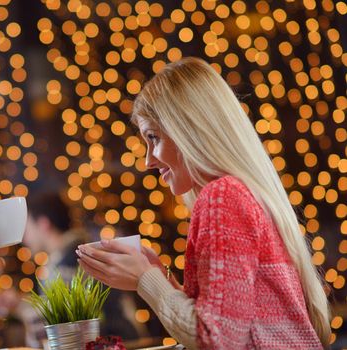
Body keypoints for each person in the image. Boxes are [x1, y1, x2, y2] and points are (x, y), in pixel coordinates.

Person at [77, 57, 330, 349]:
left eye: (153, 137)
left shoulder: (222, 196)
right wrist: (161, 279)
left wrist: (146, 279)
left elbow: (217, 339)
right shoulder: (242, 192)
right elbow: (226, 325)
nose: (148, 160)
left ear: (189, 129)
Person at [0, 193, 142, 348]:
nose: (25, 238)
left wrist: (20, 306)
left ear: (44, 224)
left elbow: (61, 327)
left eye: (27, 228)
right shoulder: (75, 254)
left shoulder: (68, 265)